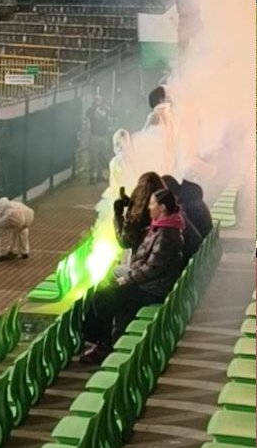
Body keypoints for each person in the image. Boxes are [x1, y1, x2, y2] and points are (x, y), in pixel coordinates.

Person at [81, 188, 185, 364]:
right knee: (101, 288)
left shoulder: (166, 234)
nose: (149, 207)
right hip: (149, 282)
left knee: (103, 297)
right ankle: (96, 336)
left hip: (152, 289)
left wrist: (127, 278)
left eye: (152, 204)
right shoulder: (162, 227)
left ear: (163, 208)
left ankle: (104, 344)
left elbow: (152, 268)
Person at [113, 172, 164, 251]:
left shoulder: (141, 216)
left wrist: (118, 214)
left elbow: (125, 241)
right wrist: (132, 203)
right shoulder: (167, 208)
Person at [0, 196, 34, 263]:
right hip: (29, 214)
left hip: (15, 215)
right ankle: (24, 252)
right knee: (22, 228)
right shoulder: (10, 203)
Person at [84, 95, 113, 184]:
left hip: (103, 136)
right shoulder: (91, 110)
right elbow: (88, 113)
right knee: (94, 157)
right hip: (94, 136)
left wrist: (106, 107)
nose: (98, 101)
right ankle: (93, 177)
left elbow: (113, 113)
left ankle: (100, 175)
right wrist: (97, 108)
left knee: (102, 156)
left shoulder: (105, 109)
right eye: (96, 100)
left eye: (99, 100)